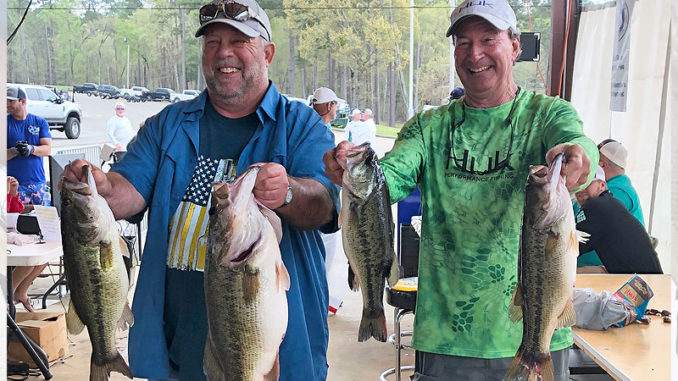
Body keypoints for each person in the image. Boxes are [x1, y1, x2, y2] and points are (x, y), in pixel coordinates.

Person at [62, 1, 340, 379]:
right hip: (181, 356)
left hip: (274, 357)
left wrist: (288, 192)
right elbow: (126, 191)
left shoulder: (301, 125)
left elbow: (324, 205)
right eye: (212, 42)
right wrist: (99, 185)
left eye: (239, 40)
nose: (223, 52)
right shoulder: (167, 125)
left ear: (268, 53)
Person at [323, 0, 597, 379]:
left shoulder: (547, 114)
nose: (475, 53)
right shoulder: (428, 127)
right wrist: (351, 172)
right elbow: (391, 177)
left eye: (489, 38)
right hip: (447, 341)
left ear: (515, 46)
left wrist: (579, 160)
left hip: (538, 334)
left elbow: (580, 149)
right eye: (463, 42)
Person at [574, 167, 662, 274]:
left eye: (587, 184)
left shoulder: (595, 206)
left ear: (602, 185)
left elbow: (568, 247)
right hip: (650, 280)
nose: (581, 189)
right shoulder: (611, 202)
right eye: (577, 185)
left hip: (640, 285)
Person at [310, 86, 350, 314]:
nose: (336, 109)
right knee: (323, 259)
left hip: (319, 206)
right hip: (322, 209)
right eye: (335, 104)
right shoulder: (321, 134)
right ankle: (319, 302)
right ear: (328, 106)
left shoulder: (311, 129)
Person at [576, 139, 645, 269]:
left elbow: (589, 228)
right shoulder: (613, 189)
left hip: (611, 269)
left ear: (602, 165)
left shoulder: (617, 193)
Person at [6, 86, 52, 206]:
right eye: (6, 101)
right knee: (16, 223)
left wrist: (31, 149)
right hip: (14, 187)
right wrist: (14, 151)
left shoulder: (39, 122)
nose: (7, 104)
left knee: (41, 222)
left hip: (38, 185)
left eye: (11, 101)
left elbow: (47, 149)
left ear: (23, 101)